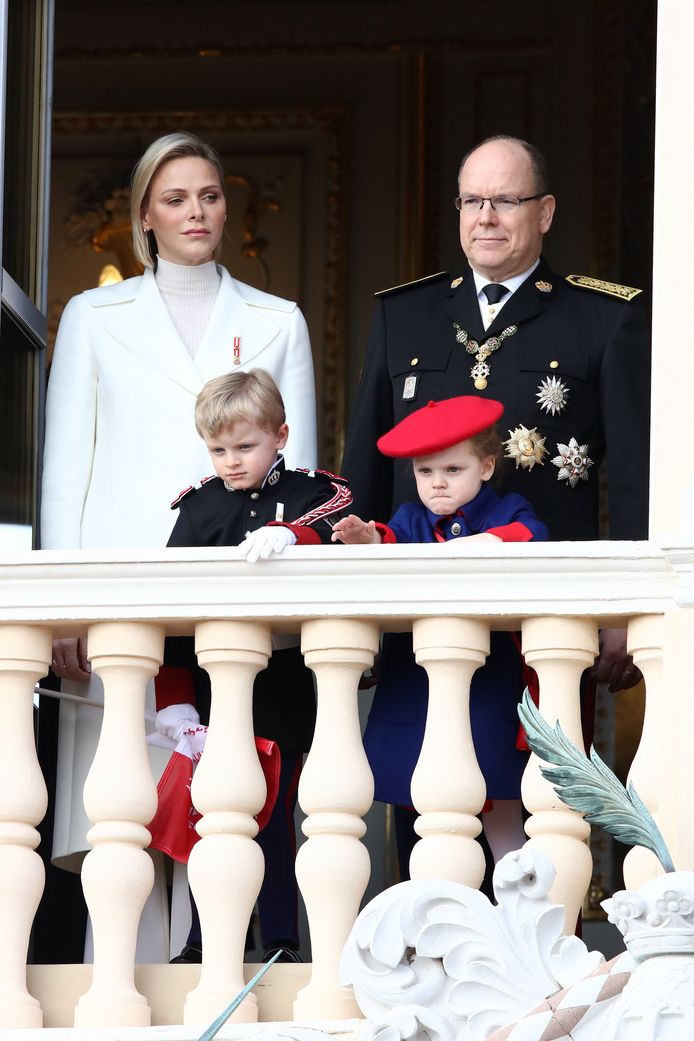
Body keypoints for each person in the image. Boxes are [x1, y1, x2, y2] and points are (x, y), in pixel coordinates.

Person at [39, 131, 317, 961]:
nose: (195, 211)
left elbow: (296, 478)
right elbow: (66, 469)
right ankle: (115, 989)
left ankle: (217, 982)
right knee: (123, 811)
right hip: (122, 596)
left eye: (208, 194)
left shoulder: (278, 320)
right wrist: (63, 606)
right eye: (174, 198)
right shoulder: (92, 315)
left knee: (225, 802)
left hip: (236, 600)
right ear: (144, 217)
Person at [342, 134, 650, 692]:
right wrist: (352, 608)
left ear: (545, 212)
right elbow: (364, 465)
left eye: (506, 201)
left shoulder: (603, 319)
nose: (486, 218)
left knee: (539, 778)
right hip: (414, 614)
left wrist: (626, 607)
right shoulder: (403, 314)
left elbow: (635, 477)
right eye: (472, 201)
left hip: (549, 617)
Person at [156, 367, 352, 962]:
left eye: (246, 446)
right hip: (216, 686)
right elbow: (172, 613)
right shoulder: (197, 510)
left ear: (281, 435)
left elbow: (342, 524)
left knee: (277, 819)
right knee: (212, 815)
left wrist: (295, 534)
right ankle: (206, 939)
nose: (231, 461)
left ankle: (283, 942)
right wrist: (174, 699)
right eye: (218, 449)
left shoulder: (318, 493)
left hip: (285, 686)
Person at [333, 395, 548, 865]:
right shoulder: (410, 518)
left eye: (453, 470)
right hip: (416, 686)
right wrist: (369, 539)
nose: (438, 484)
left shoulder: (507, 508)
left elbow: (532, 535)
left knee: (502, 808)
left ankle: (517, 918)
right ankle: (427, 927)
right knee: (419, 807)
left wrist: (478, 543)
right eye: (425, 472)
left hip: (489, 684)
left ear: (486, 467)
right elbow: (390, 542)